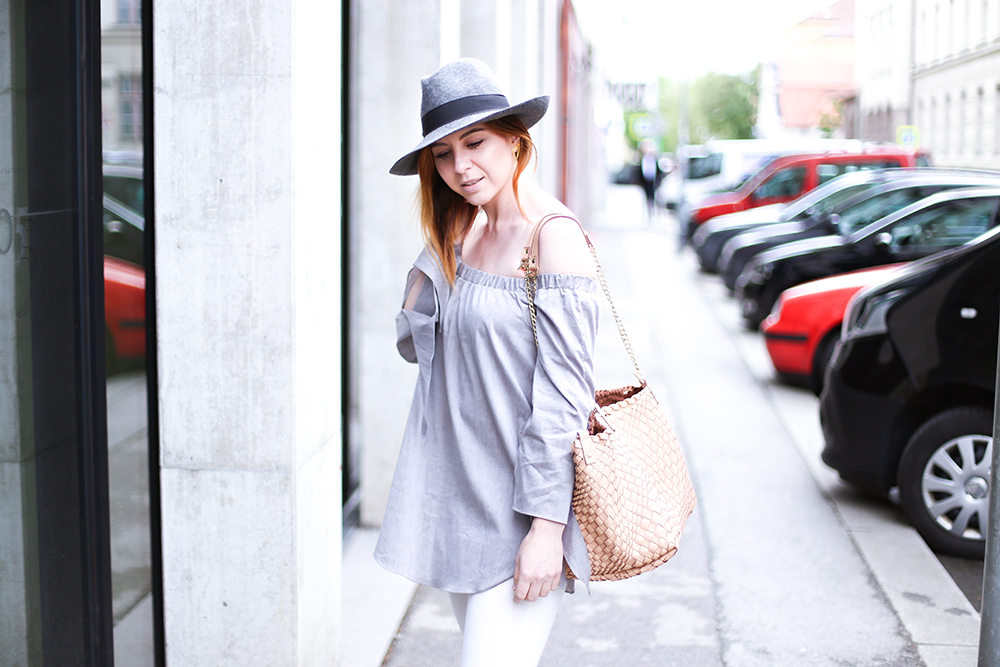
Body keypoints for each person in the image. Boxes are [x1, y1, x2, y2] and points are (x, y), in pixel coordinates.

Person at [375, 58, 599, 667]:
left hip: (522, 512)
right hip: (458, 504)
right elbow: (411, 343)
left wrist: (547, 531)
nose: (460, 167)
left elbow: (564, 397)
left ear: (515, 141)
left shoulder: (552, 236)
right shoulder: (462, 236)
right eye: (442, 155)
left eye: (475, 143)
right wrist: (441, 241)